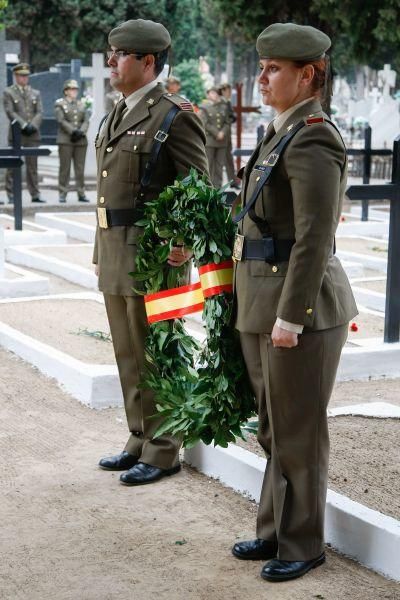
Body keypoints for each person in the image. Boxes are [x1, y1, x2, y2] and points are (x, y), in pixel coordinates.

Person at [231, 23, 358, 582]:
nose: (262, 77)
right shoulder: (279, 131)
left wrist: (290, 316)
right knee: (273, 425)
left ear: (307, 75)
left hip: (297, 309)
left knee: (298, 428)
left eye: (274, 68)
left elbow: (313, 236)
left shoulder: (312, 135)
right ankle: (273, 530)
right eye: (262, 66)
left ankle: (303, 543)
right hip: (263, 300)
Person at [94, 19, 209, 486]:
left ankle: (164, 449)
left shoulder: (174, 114)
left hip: (156, 256)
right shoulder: (118, 111)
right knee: (127, 352)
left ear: (147, 62)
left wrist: (183, 243)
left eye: (120, 54)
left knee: (158, 354)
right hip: (117, 249)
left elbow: (198, 187)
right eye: (111, 52)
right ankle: (140, 436)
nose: (111, 61)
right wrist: (99, 248)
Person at [3, 63, 46, 204]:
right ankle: (11, 194)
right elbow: (10, 111)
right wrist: (24, 124)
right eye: (21, 76)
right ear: (16, 76)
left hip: (33, 134)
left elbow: (40, 112)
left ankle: (35, 194)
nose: (24, 78)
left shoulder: (35, 93)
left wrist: (32, 125)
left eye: (26, 76)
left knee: (33, 166)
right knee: (13, 165)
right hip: (17, 134)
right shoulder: (9, 92)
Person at [54, 79, 90, 203]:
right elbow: (61, 120)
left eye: (76, 89)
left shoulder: (81, 104)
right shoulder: (60, 104)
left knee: (80, 169)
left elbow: (86, 120)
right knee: (65, 168)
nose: (74, 91)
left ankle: (81, 193)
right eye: (72, 89)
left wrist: (81, 131)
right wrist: (73, 131)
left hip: (80, 140)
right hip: (66, 140)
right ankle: (62, 192)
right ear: (66, 91)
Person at [199, 86, 231, 187]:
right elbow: (204, 123)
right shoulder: (204, 107)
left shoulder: (224, 107)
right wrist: (217, 133)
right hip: (210, 141)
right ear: (208, 95)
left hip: (222, 142)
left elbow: (227, 122)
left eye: (216, 93)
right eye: (212, 93)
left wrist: (223, 133)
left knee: (219, 166)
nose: (214, 95)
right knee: (209, 165)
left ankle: (218, 189)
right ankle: (208, 188)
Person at [218, 83, 240, 189]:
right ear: (223, 91)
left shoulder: (227, 102)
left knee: (229, 160)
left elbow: (231, 117)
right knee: (218, 161)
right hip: (220, 135)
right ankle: (217, 184)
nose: (230, 93)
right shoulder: (220, 102)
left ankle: (233, 181)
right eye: (228, 91)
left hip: (227, 135)